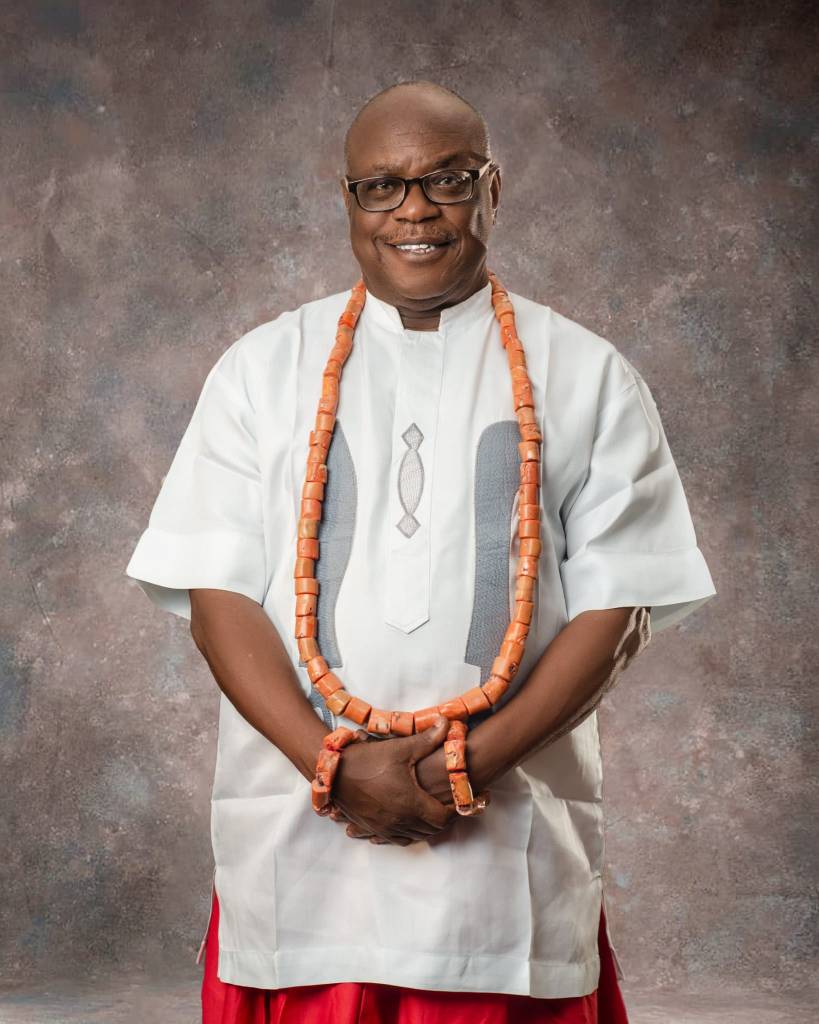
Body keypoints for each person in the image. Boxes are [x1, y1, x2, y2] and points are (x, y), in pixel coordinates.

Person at [125, 80, 716, 1023]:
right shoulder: (260, 368)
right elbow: (214, 594)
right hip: (299, 836)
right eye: (382, 186)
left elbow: (621, 607)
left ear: (492, 190)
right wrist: (331, 766)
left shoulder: (588, 373)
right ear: (348, 201)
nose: (414, 210)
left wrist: (466, 766)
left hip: (503, 846)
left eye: (446, 180)